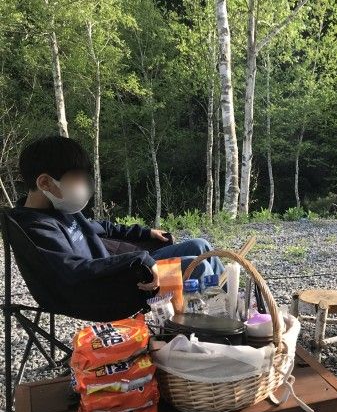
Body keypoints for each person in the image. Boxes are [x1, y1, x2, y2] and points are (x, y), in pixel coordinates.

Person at [11, 135, 223, 319]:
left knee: (201, 246)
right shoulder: (36, 227)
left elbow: (99, 227)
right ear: (45, 183)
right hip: (106, 288)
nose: (83, 185)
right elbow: (72, 270)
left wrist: (145, 232)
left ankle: (231, 311)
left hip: (120, 270)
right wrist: (140, 259)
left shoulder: (59, 209)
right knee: (198, 266)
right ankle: (213, 327)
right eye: (76, 177)